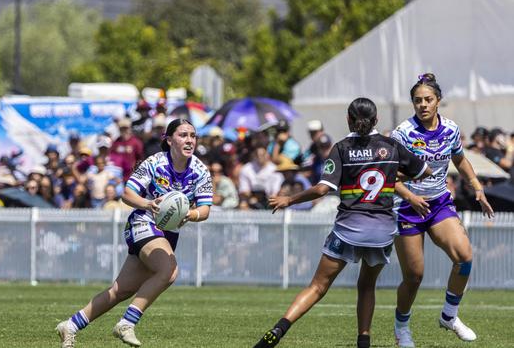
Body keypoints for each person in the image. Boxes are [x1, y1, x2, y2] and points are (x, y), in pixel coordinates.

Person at [254, 98, 431, 348]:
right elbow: (425, 171)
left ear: (348, 119)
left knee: (317, 286)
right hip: (381, 232)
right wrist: (391, 174)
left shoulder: (342, 148)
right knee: (367, 286)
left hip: (348, 229)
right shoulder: (392, 146)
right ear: (376, 120)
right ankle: (363, 341)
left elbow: (322, 189)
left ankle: (278, 330)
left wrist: (289, 199)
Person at [56, 118, 213, 347]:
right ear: (169, 140)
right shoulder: (154, 163)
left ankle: (70, 326)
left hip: (168, 232)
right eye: (183, 135)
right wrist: (148, 204)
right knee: (169, 271)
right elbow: (127, 195)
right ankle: (127, 323)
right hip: (143, 221)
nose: (189, 140)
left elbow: (206, 209)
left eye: (192, 135)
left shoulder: (200, 170)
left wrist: (190, 214)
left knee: (121, 290)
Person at [390, 73, 494, 347]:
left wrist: (477, 187)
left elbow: (459, 159)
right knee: (414, 276)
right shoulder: (402, 133)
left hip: (438, 203)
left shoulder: (450, 129)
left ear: (438, 101)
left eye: (428, 100)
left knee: (465, 256)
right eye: (417, 101)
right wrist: (410, 196)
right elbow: (387, 176)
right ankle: (401, 327)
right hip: (407, 207)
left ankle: (449, 315)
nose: (423, 105)